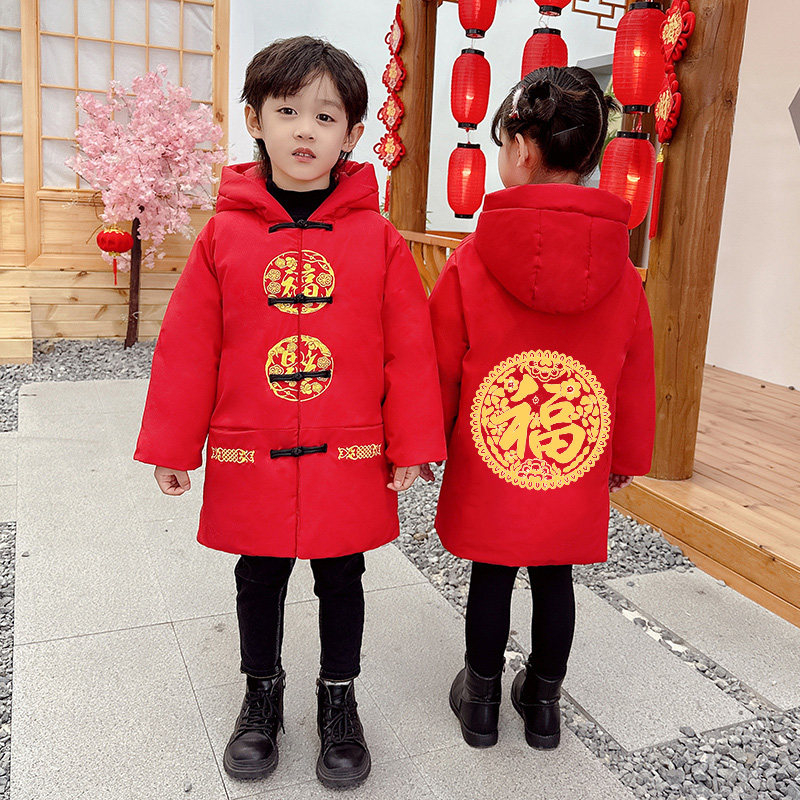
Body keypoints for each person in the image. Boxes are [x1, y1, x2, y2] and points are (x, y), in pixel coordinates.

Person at [134, 36, 446, 789]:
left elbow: (409, 348)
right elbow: (189, 347)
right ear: (255, 120)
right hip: (254, 443)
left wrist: (411, 442)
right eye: (288, 111)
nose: (306, 130)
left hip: (348, 446)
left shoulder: (378, 240)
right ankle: (261, 694)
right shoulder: (223, 236)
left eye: (326, 116)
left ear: (353, 134)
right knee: (259, 573)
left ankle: (339, 699)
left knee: (343, 574)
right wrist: (174, 444)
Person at [427, 66, 656, 750]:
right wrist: (625, 454)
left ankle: (481, 702)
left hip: (492, 451)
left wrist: (426, 440)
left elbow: (440, 362)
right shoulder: (623, 271)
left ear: (522, 149)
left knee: (492, 572)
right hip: (570, 452)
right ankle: (545, 703)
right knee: (556, 575)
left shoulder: (472, 261)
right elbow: (635, 372)